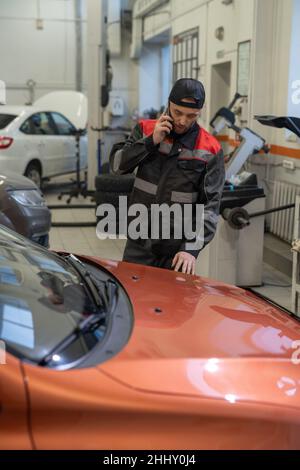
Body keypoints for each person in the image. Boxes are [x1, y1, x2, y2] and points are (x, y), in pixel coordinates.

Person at [110, 78, 225, 275]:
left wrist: (191, 249)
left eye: (191, 116)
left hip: (177, 251)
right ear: (168, 104)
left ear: (200, 112)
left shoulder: (210, 148)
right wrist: (150, 141)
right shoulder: (145, 129)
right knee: (132, 299)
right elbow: (117, 167)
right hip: (139, 242)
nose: (182, 121)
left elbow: (211, 206)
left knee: (174, 305)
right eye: (178, 112)